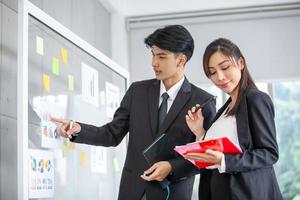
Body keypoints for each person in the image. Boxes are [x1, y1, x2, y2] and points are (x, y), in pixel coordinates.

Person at [52, 25, 216, 200]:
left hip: (172, 193)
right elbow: (111, 134)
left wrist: (171, 167)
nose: (154, 63)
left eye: (161, 56)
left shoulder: (203, 101)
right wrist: (78, 128)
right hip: (132, 191)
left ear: (181, 60)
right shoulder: (137, 91)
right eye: (153, 55)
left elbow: (206, 157)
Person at [184, 38, 283, 200]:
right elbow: (218, 150)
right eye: (212, 72)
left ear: (241, 63)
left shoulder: (256, 99)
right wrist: (200, 131)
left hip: (248, 193)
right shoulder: (225, 108)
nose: (220, 77)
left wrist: (225, 160)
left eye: (225, 67)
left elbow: (269, 153)